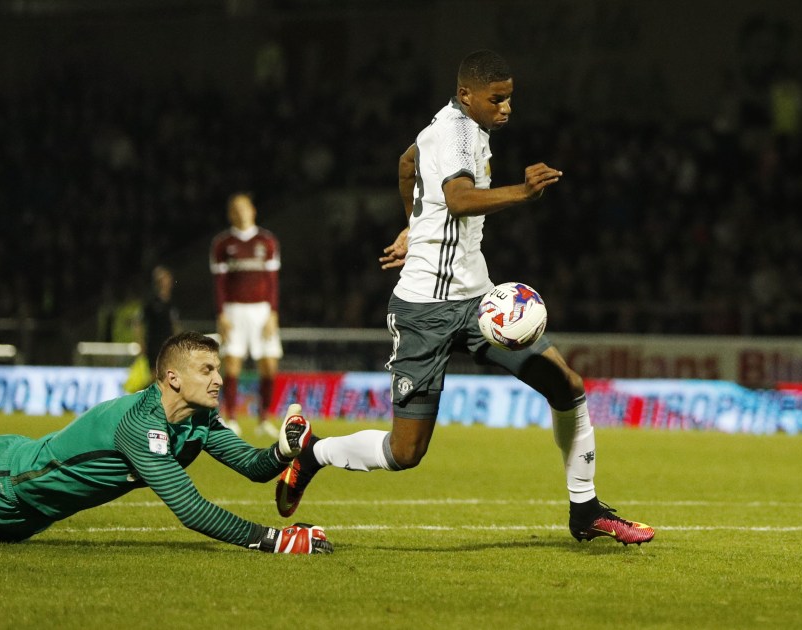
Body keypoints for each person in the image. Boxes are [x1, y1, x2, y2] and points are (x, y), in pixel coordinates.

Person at [276, 50, 654, 546]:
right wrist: (522, 192)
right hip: (424, 312)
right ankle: (313, 454)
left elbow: (407, 162)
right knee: (405, 453)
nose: (506, 109)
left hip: (478, 304)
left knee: (567, 386)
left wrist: (416, 225)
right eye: (496, 99)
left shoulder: (453, 129)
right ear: (467, 95)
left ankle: (585, 509)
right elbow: (456, 197)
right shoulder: (454, 133)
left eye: (511, 98)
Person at [0, 334, 332, 554]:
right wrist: (276, 540)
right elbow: (191, 510)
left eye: (218, 369)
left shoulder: (198, 420)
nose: (219, 379)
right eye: (207, 370)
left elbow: (253, 466)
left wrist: (284, 450)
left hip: (24, 518)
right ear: (173, 378)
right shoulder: (140, 424)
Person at [209, 192, 284, 439]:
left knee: (269, 365)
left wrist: (273, 313)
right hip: (233, 310)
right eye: (236, 209)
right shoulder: (222, 244)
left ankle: (264, 418)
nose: (241, 212)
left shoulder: (267, 241)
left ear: (253, 210)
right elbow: (219, 283)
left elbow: (273, 281)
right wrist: (221, 314)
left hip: (262, 310)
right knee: (231, 363)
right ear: (231, 213)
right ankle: (230, 417)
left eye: (244, 207)